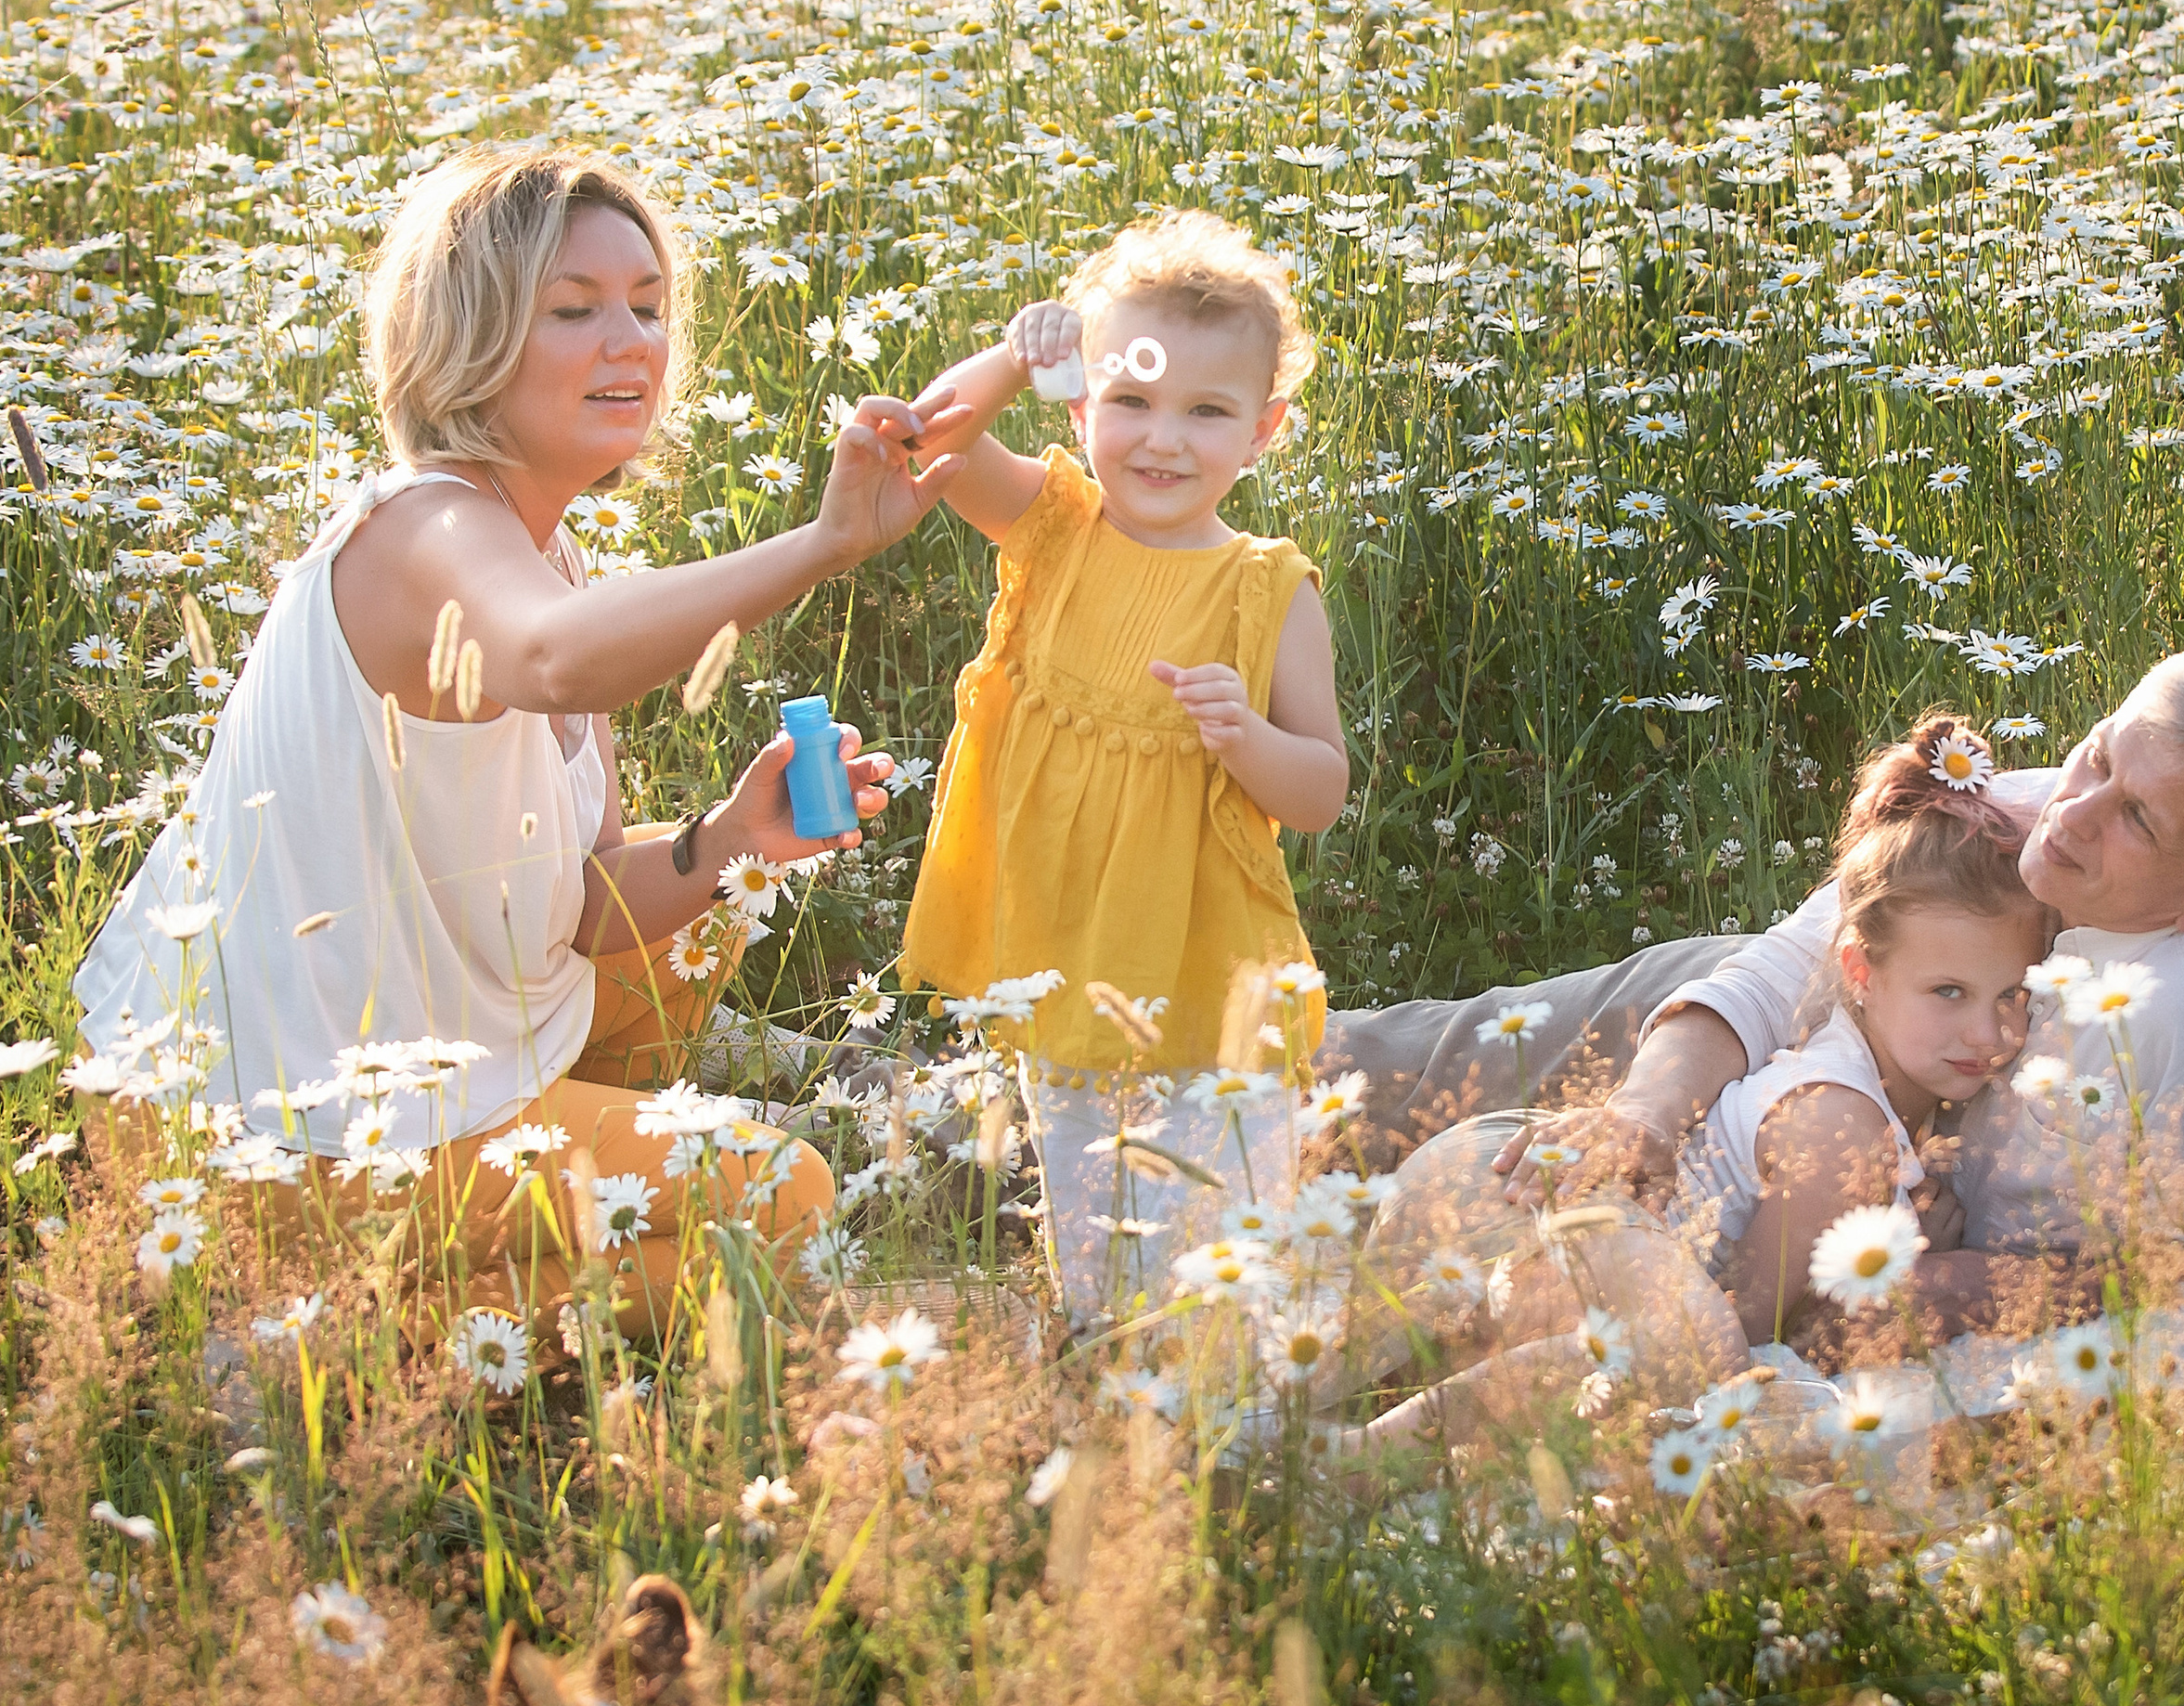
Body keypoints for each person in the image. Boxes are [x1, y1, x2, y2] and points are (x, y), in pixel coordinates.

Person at [72, 145, 970, 1329]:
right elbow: (554, 654)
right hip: (260, 1125)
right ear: (469, 342)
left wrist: (727, 836)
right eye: (574, 310)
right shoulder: (425, 531)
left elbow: (590, 905)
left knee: (714, 917)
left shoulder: (544, 551)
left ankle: (518, 1197)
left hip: (397, 1057)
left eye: (648, 308)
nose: (633, 341)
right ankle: (341, 1333)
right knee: (783, 1203)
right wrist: (819, 544)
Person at [1320, 646, 2184, 1327]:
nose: (2069, 815)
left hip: (1849, 1162)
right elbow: (1779, 970)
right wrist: (1644, 1112)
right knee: (1425, 1065)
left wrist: (1944, 1282)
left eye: (2137, 820)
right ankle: (1261, 1063)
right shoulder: (2031, 809)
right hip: (1794, 1025)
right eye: (2095, 757)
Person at [896, 210, 1349, 1314]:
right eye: (1131, 400)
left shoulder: (1266, 590)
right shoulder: (1056, 526)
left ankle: (1242, 1429)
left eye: (1207, 411)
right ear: (1088, 397)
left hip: (1207, 988)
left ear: (1264, 430)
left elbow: (1324, 792)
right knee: (1096, 1240)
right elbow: (929, 440)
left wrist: (1246, 737)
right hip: (1063, 953)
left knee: (1225, 1240)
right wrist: (1018, 356)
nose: (1161, 439)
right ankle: (1116, 1382)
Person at [1662, 713, 2050, 1357]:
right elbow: (1732, 1339)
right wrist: (1896, 1262)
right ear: (1860, 970)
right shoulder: (1841, 1126)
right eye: (1947, 992)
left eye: (2013, 994)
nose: (1988, 1033)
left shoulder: (1901, 1104)